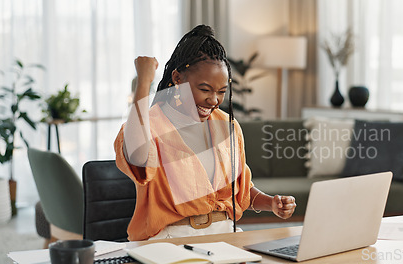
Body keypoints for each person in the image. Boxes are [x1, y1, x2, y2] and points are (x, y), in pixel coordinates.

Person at [114, 25, 296, 241]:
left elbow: (242, 190)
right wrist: (144, 82)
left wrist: (272, 203)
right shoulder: (150, 125)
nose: (214, 100)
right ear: (177, 79)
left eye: (221, 92)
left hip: (226, 236)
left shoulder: (228, 126)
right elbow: (137, 156)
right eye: (204, 89)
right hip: (171, 239)